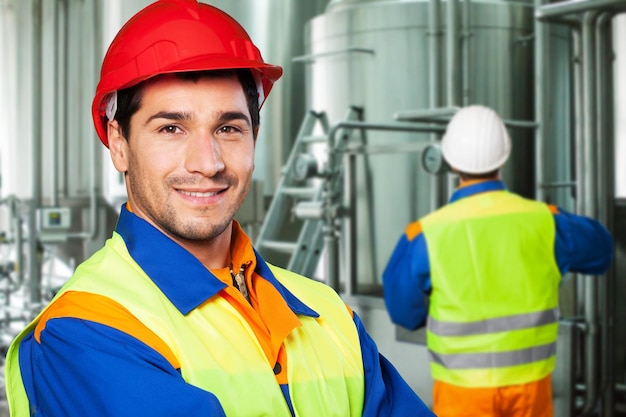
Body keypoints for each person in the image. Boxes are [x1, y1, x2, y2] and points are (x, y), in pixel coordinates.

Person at [4, 1, 435, 416]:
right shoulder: (86, 330)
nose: (207, 163)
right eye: (172, 128)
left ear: (255, 136)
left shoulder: (326, 312)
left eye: (228, 128)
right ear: (119, 144)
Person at [382, 105, 613, 417]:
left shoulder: (425, 234)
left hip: (461, 393)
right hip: (530, 389)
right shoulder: (544, 222)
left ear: (451, 162)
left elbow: (402, 309)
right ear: (503, 158)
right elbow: (601, 250)